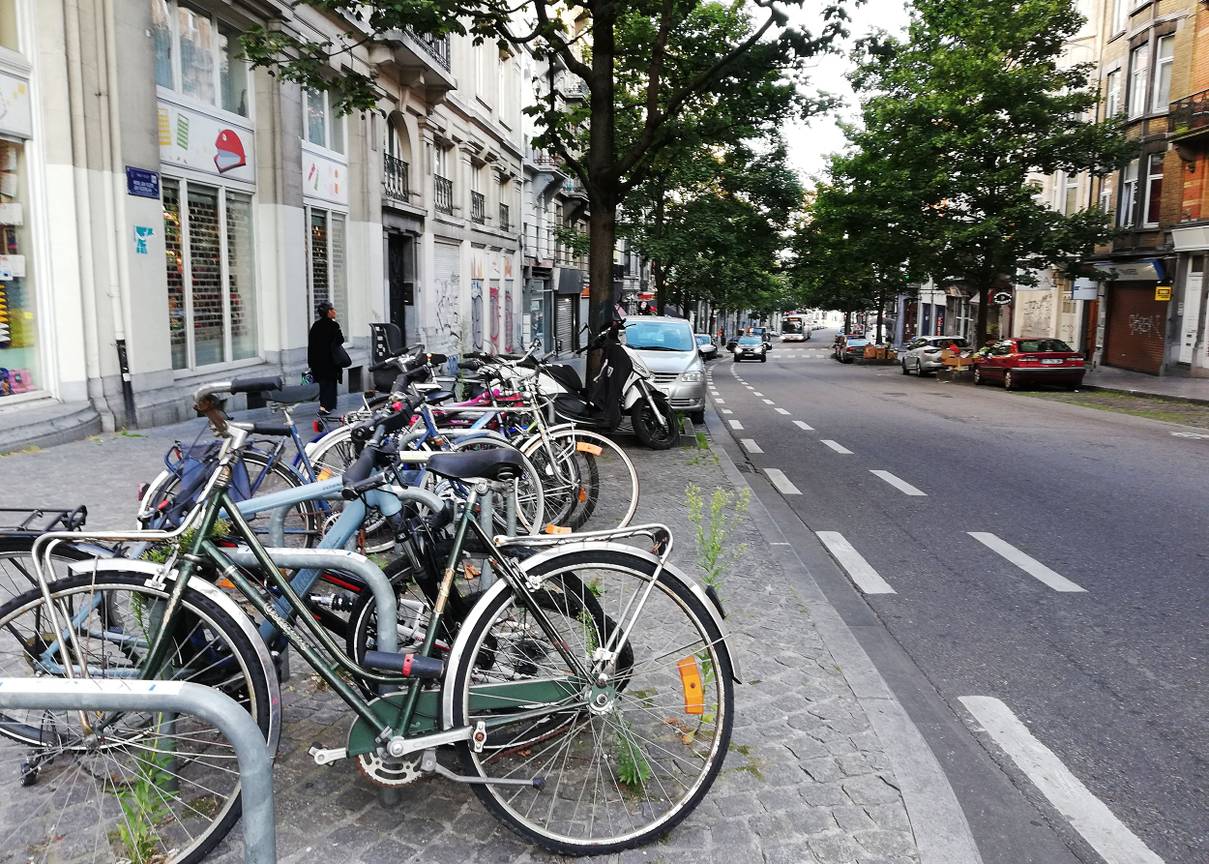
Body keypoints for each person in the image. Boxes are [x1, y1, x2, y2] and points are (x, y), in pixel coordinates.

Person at [307, 302, 348, 414]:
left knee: (323, 384)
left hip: (317, 362)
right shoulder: (333, 325)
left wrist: (310, 362)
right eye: (332, 309)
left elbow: (311, 345)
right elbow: (340, 340)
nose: (335, 311)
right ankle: (326, 406)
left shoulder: (315, 325)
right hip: (330, 361)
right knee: (330, 384)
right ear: (328, 312)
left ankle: (323, 406)